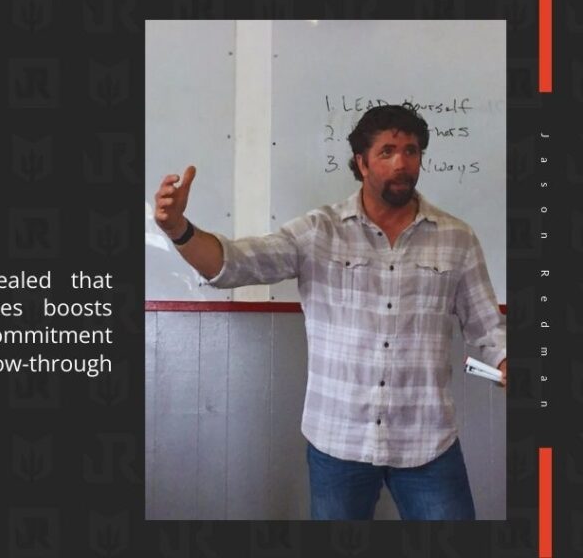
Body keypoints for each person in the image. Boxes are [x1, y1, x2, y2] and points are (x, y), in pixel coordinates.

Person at [153, 104, 506, 520]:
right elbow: (235, 263)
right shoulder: (319, 231)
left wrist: (504, 358)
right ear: (361, 162)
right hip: (339, 441)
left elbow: (487, 325)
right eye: (388, 151)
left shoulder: (456, 238)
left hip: (427, 441)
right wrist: (180, 230)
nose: (402, 163)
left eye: (411, 151)